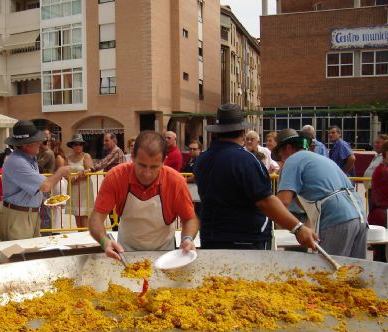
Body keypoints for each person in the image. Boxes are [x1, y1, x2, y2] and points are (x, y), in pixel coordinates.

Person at [194, 103, 316, 250]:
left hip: (211, 237)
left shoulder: (202, 159)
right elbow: (265, 201)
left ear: (216, 132)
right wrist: (298, 228)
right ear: (242, 132)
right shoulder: (245, 160)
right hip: (246, 239)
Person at [89, 131, 198, 259]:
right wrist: (104, 241)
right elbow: (96, 219)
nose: (147, 173)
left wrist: (187, 238)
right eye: (142, 165)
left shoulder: (175, 181)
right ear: (133, 157)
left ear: (164, 161)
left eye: (154, 167)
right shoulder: (116, 177)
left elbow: (190, 218)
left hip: (164, 254)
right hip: (125, 252)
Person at [273, 129, 367, 259]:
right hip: (359, 216)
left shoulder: (292, 160)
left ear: (288, 148)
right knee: (356, 272)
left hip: (336, 220)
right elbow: (311, 202)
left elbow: (282, 202)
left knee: (328, 274)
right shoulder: (320, 159)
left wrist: (295, 228)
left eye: (280, 154)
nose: (281, 160)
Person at [0, 120, 71, 241]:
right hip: (18, 216)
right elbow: (45, 185)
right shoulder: (17, 161)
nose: (40, 143)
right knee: (19, 256)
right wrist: (61, 171)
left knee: (30, 254)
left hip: (27, 214)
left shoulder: (28, 159)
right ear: (27, 145)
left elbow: (31, 188)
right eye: (37, 141)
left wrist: (44, 201)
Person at [66, 134, 94, 229]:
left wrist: (75, 178)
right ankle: (80, 241)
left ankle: (86, 242)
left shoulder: (86, 156)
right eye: (76, 144)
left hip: (84, 190)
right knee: (77, 219)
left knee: (84, 218)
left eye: (80, 144)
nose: (78, 146)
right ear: (72, 146)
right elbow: (66, 173)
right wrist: (72, 178)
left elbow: (90, 171)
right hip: (73, 190)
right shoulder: (68, 157)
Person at [368, 140, 388, 262]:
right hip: (382, 217)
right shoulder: (383, 171)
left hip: (380, 215)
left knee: (380, 256)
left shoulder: (382, 169)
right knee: (382, 257)